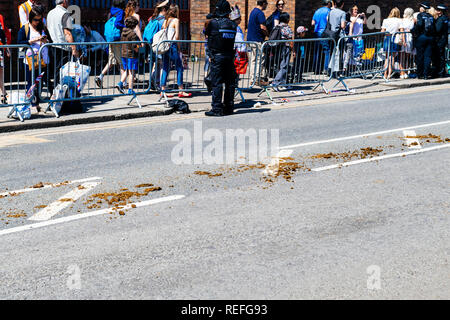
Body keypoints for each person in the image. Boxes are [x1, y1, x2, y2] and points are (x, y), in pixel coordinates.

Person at [204, 0, 237, 117]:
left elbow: (206, 33)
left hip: (217, 57)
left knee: (217, 83)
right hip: (229, 57)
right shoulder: (233, 25)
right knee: (229, 83)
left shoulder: (213, 23)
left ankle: (217, 109)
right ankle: (229, 107)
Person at [17, 6, 50, 109]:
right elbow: (19, 42)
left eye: (39, 19)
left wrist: (46, 41)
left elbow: (49, 40)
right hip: (30, 61)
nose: (37, 22)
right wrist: (33, 40)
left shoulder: (42, 27)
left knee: (40, 83)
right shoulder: (25, 28)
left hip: (43, 60)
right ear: (31, 18)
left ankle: (37, 103)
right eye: (36, 19)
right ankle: (32, 104)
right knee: (31, 83)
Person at [160, 4, 191, 98]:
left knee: (165, 68)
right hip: (172, 46)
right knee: (179, 67)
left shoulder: (165, 20)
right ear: (176, 11)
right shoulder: (176, 20)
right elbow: (177, 36)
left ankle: (163, 90)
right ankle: (181, 90)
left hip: (165, 46)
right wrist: (179, 48)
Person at [95, 0, 126, 90]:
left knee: (111, 60)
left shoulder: (112, 10)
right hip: (116, 39)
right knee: (121, 62)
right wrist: (125, 27)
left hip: (110, 39)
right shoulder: (121, 12)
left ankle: (100, 76)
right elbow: (117, 23)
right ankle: (122, 83)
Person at [46, 0, 78, 91]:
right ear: (64, 1)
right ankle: (60, 95)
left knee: (56, 72)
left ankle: (56, 93)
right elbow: (67, 33)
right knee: (63, 73)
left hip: (53, 46)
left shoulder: (50, 13)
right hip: (63, 47)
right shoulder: (65, 13)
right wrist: (74, 48)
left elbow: (48, 28)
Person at [146, 0, 168, 90]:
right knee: (159, 64)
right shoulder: (162, 20)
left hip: (151, 44)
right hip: (159, 44)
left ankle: (152, 81)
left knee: (155, 64)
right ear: (163, 9)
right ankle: (157, 83)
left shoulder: (153, 18)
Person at [269, 12, 294, 91]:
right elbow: (290, 41)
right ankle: (275, 83)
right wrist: (293, 50)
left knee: (280, 65)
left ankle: (283, 83)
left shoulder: (276, 27)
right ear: (287, 19)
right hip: (285, 48)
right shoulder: (287, 28)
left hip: (277, 48)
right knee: (284, 66)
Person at [247, 0, 269, 86]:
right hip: (257, 40)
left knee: (253, 60)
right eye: (266, 4)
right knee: (260, 59)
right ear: (263, 4)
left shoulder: (253, 11)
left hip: (250, 39)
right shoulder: (260, 13)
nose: (266, 6)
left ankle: (253, 79)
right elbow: (262, 27)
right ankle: (257, 79)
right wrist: (268, 35)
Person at [342, 4, 366, 73]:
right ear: (351, 11)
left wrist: (364, 16)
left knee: (358, 54)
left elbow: (364, 22)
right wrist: (357, 16)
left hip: (359, 38)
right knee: (351, 54)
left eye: (357, 10)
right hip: (353, 38)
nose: (356, 11)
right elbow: (352, 22)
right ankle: (348, 68)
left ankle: (355, 68)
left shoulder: (359, 19)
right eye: (355, 9)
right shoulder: (351, 18)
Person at [415, 2, 436, 79]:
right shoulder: (431, 16)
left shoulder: (420, 15)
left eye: (420, 7)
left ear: (422, 8)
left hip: (422, 37)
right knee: (427, 57)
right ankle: (426, 74)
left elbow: (419, 25)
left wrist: (413, 30)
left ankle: (419, 74)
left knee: (420, 56)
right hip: (430, 38)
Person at [325, 0, 347, 76]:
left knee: (331, 53)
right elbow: (342, 25)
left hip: (331, 35)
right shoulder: (342, 13)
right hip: (339, 36)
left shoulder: (331, 12)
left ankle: (329, 70)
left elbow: (327, 20)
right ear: (342, 4)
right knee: (338, 54)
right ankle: (336, 71)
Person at [121, 16, 140, 96]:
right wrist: (138, 48)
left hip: (124, 54)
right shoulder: (133, 34)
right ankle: (130, 89)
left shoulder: (123, 32)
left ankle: (120, 83)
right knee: (131, 72)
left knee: (127, 71)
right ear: (134, 25)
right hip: (131, 55)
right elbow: (134, 46)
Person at [381, 7, 402, 79]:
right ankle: (389, 74)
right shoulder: (399, 20)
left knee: (387, 57)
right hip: (394, 38)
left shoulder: (385, 20)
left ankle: (385, 74)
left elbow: (382, 31)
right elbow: (401, 30)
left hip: (387, 38)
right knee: (392, 57)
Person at [312, 0, 332, 74]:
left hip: (317, 33)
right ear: (329, 3)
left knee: (317, 51)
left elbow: (312, 23)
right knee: (327, 51)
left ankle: (316, 69)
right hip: (324, 33)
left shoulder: (317, 11)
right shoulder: (329, 11)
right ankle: (326, 69)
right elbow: (329, 22)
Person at [399, 8, 416, 79]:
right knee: (407, 56)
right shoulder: (414, 20)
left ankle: (403, 72)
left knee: (402, 57)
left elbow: (402, 31)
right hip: (410, 38)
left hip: (406, 38)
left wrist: (403, 40)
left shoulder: (402, 20)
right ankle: (404, 72)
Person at [432, 5, 449, 78]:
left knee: (439, 56)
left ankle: (440, 72)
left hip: (439, 40)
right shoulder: (446, 18)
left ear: (440, 11)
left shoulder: (440, 19)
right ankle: (441, 72)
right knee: (442, 56)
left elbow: (437, 30)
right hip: (443, 39)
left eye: (437, 10)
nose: (436, 11)